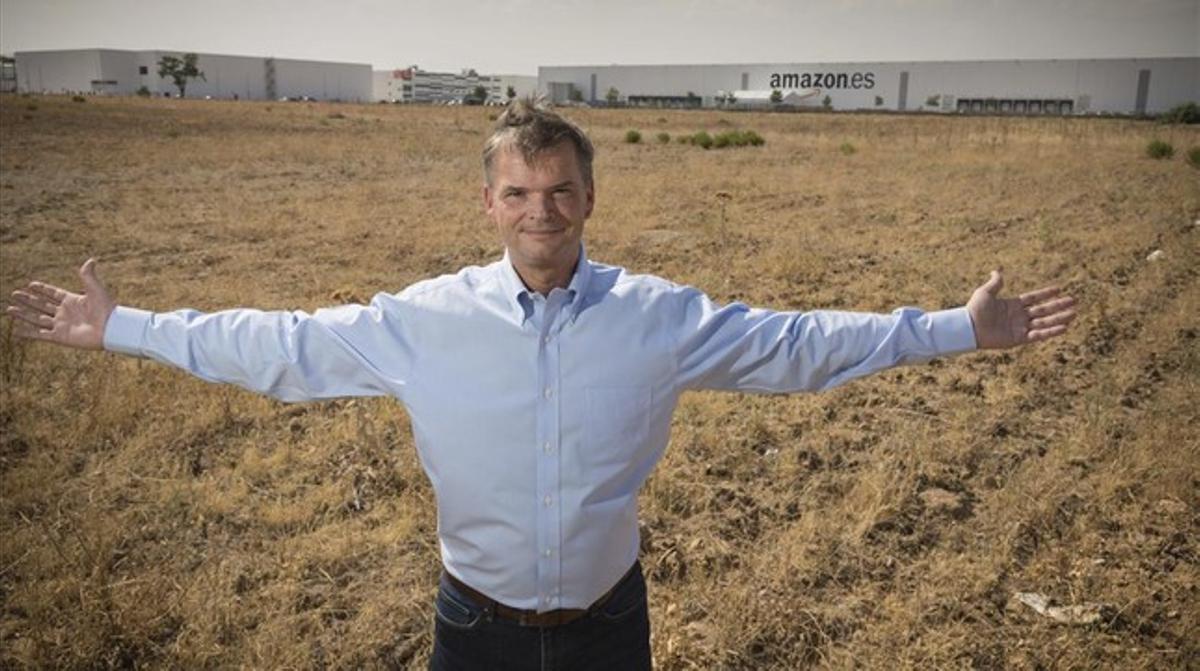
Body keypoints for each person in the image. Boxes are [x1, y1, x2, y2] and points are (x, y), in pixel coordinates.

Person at [6, 98, 1076, 670]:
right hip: (472, 630)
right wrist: (125, 328)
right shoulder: (421, 321)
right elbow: (280, 346)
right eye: (518, 191)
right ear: (489, 204)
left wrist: (953, 329)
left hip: (611, 626)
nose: (541, 211)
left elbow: (798, 344)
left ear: (590, 197)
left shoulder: (660, 317)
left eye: (560, 190)